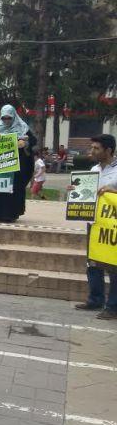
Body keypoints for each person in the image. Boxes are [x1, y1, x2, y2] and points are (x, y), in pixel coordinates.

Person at [74, 134, 117, 319]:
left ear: (108, 150)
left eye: (96, 148)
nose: (92, 151)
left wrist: (113, 191)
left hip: (112, 226)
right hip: (94, 224)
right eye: (92, 148)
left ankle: (113, 307)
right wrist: (75, 190)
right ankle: (95, 299)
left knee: (114, 266)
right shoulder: (93, 169)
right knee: (92, 263)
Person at [0, 105, 36, 223]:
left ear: (14, 116)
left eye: (9, 118)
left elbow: (33, 141)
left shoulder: (23, 128)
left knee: (13, 189)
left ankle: (10, 214)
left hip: (16, 167)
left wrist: (25, 143)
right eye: (4, 118)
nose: (6, 121)